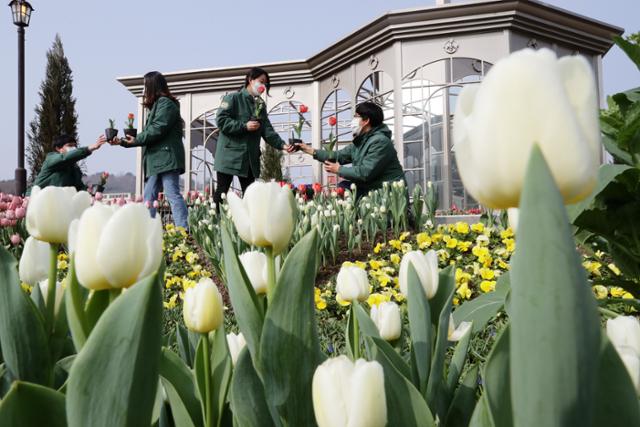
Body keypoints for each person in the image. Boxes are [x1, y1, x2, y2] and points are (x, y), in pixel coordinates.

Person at [111, 71, 189, 230]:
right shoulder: (158, 105)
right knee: (149, 196)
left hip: (166, 157)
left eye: (145, 85)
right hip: (157, 159)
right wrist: (123, 142)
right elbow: (152, 131)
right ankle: (148, 231)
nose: (144, 89)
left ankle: (183, 230)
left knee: (172, 194)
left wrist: (135, 140)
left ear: (152, 85)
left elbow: (157, 129)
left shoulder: (166, 104)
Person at [213, 67, 296, 206]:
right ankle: (215, 224)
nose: (263, 86)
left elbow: (267, 130)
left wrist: (282, 145)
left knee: (251, 195)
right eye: (261, 81)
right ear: (250, 80)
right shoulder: (233, 98)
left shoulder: (260, 105)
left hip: (249, 159)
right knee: (222, 192)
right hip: (229, 156)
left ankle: (248, 226)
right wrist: (244, 126)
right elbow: (221, 121)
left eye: (266, 84)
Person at [297, 102, 406, 198]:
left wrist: (339, 169)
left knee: (344, 189)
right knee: (343, 188)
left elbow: (365, 173)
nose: (353, 120)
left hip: (389, 196)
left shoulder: (380, 142)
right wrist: (308, 149)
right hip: (372, 192)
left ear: (366, 120)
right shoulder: (361, 141)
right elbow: (338, 155)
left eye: (356, 116)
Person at [30, 134, 107, 193]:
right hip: (38, 200)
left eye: (74, 146)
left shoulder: (75, 168)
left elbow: (78, 187)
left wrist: (92, 190)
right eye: (69, 146)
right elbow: (65, 158)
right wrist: (90, 148)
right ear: (58, 148)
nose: (73, 148)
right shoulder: (51, 158)